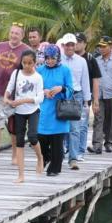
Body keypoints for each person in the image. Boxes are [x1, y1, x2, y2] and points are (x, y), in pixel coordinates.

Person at [0, 23, 30, 165]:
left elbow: (29, 71)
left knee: (15, 128)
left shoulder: (26, 50)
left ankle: (15, 156)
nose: (13, 35)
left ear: (22, 36)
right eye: (12, 32)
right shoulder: (0, 46)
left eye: (17, 33)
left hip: (16, 96)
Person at [4, 50, 45, 183]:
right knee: (19, 141)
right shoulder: (16, 73)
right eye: (24, 63)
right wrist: (6, 98)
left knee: (33, 136)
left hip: (33, 110)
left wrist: (23, 100)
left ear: (34, 62)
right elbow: (9, 88)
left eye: (30, 63)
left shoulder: (38, 77)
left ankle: (40, 158)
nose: (27, 66)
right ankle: (21, 175)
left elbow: (40, 98)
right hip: (18, 112)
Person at [37, 44, 73, 176]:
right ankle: (45, 158)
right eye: (47, 58)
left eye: (53, 58)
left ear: (58, 57)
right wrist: (43, 91)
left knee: (57, 141)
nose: (50, 61)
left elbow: (71, 89)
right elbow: (33, 88)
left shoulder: (65, 70)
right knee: (41, 138)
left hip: (59, 110)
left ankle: (55, 168)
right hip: (44, 110)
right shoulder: (40, 70)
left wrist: (61, 88)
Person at [89, 36, 112, 153]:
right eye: (100, 46)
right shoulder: (96, 60)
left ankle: (109, 142)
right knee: (98, 119)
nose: (101, 49)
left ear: (111, 47)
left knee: (111, 119)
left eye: (104, 46)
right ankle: (97, 145)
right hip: (99, 95)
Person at [60, 33, 91, 170]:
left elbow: (85, 81)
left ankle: (73, 158)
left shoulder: (82, 61)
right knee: (59, 127)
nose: (70, 47)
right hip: (60, 95)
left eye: (72, 44)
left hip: (76, 96)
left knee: (75, 128)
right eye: (67, 45)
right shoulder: (58, 60)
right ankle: (58, 155)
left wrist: (86, 100)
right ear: (63, 46)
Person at [74, 32, 101, 159]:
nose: (76, 44)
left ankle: (80, 150)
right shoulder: (68, 58)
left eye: (79, 41)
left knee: (83, 124)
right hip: (70, 96)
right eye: (75, 41)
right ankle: (69, 148)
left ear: (85, 43)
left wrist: (95, 100)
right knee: (69, 123)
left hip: (85, 96)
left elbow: (95, 81)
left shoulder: (90, 59)